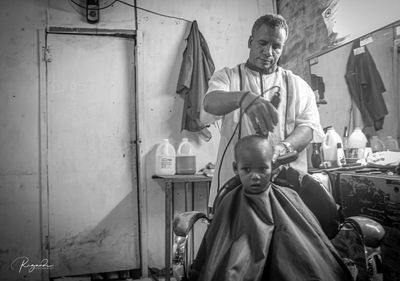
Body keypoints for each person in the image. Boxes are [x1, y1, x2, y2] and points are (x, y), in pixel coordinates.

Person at [188, 135, 353, 281]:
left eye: (262, 169)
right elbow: (219, 241)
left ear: (273, 167)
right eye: (246, 169)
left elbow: (306, 236)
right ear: (235, 168)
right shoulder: (229, 201)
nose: (255, 176)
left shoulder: (290, 196)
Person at [201, 14, 324, 207]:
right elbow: (210, 103)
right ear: (250, 42)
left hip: (284, 190)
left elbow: (308, 127)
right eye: (262, 43)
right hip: (233, 187)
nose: (268, 52)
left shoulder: (297, 85)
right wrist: (243, 98)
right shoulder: (228, 77)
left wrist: (282, 148)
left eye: (276, 46)